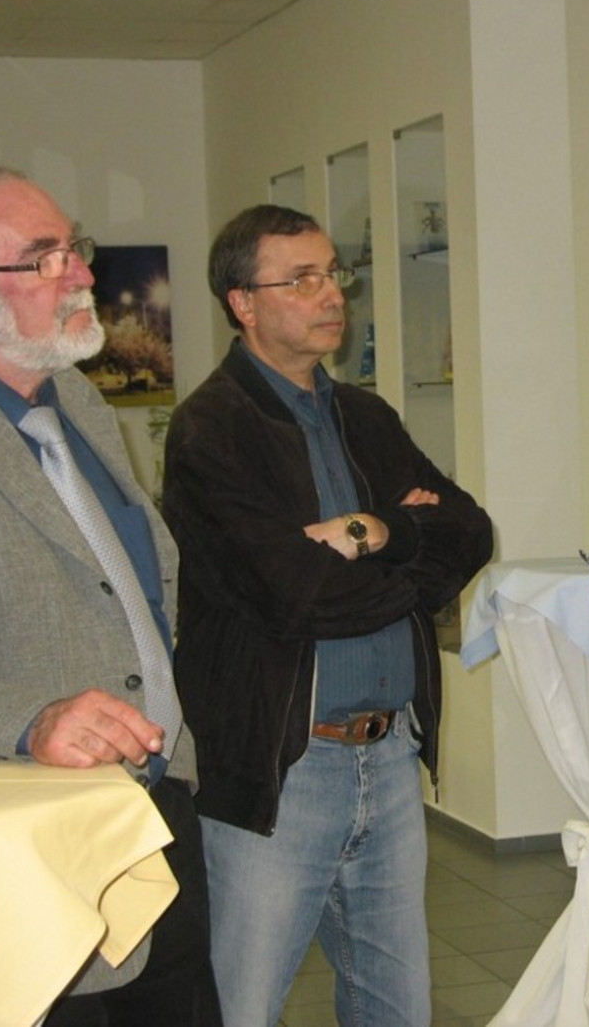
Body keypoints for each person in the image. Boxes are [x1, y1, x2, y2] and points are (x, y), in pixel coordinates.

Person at [0, 164, 221, 1024]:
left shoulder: (76, 400)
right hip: (34, 852)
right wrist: (30, 720)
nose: (81, 273)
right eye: (45, 258)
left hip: (154, 814)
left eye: (75, 248)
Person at [162, 204, 493, 1027]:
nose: (332, 293)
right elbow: (296, 593)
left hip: (390, 756)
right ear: (243, 302)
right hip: (283, 768)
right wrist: (412, 552)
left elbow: (470, 531)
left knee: (396, 1006)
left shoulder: (366, 418)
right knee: (243, 1005)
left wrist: (374, 532)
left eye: (333, 272)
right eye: (301, 278)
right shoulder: (211, 429)